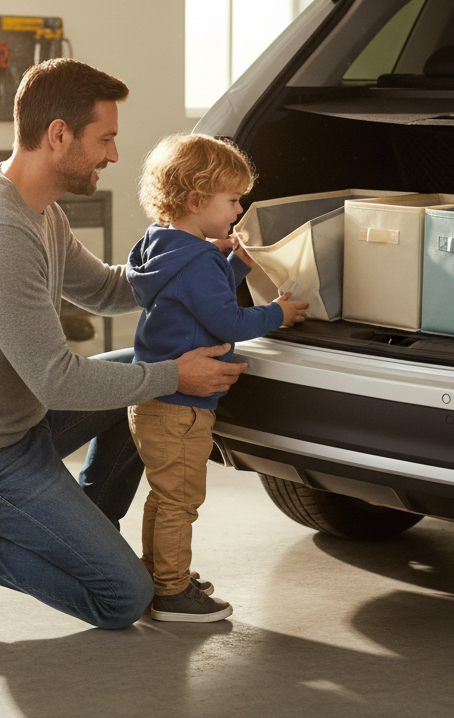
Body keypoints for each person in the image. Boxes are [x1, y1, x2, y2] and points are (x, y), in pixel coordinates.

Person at [0, 59, 247, 629]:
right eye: (105, 139)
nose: (114, 156)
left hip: (15, 424)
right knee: (121, 597)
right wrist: (178, 375)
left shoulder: (38, 209)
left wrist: (195, 254)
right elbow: (57, 379)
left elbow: (104, 288)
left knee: (137, 365)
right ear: (58, 135)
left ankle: (91, 524)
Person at [125, 134, 308, 623]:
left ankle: (161, 575)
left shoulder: (160, 247)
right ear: (194, 200)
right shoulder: (199, 260)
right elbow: (226, 321)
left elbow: (197, 298)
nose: (238, 209)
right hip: (182, 408)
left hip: (153, 402)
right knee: (180, 502)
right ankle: (172, 591)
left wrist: (232, 261)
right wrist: (277, 313)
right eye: (231, 200)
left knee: (164, 498)